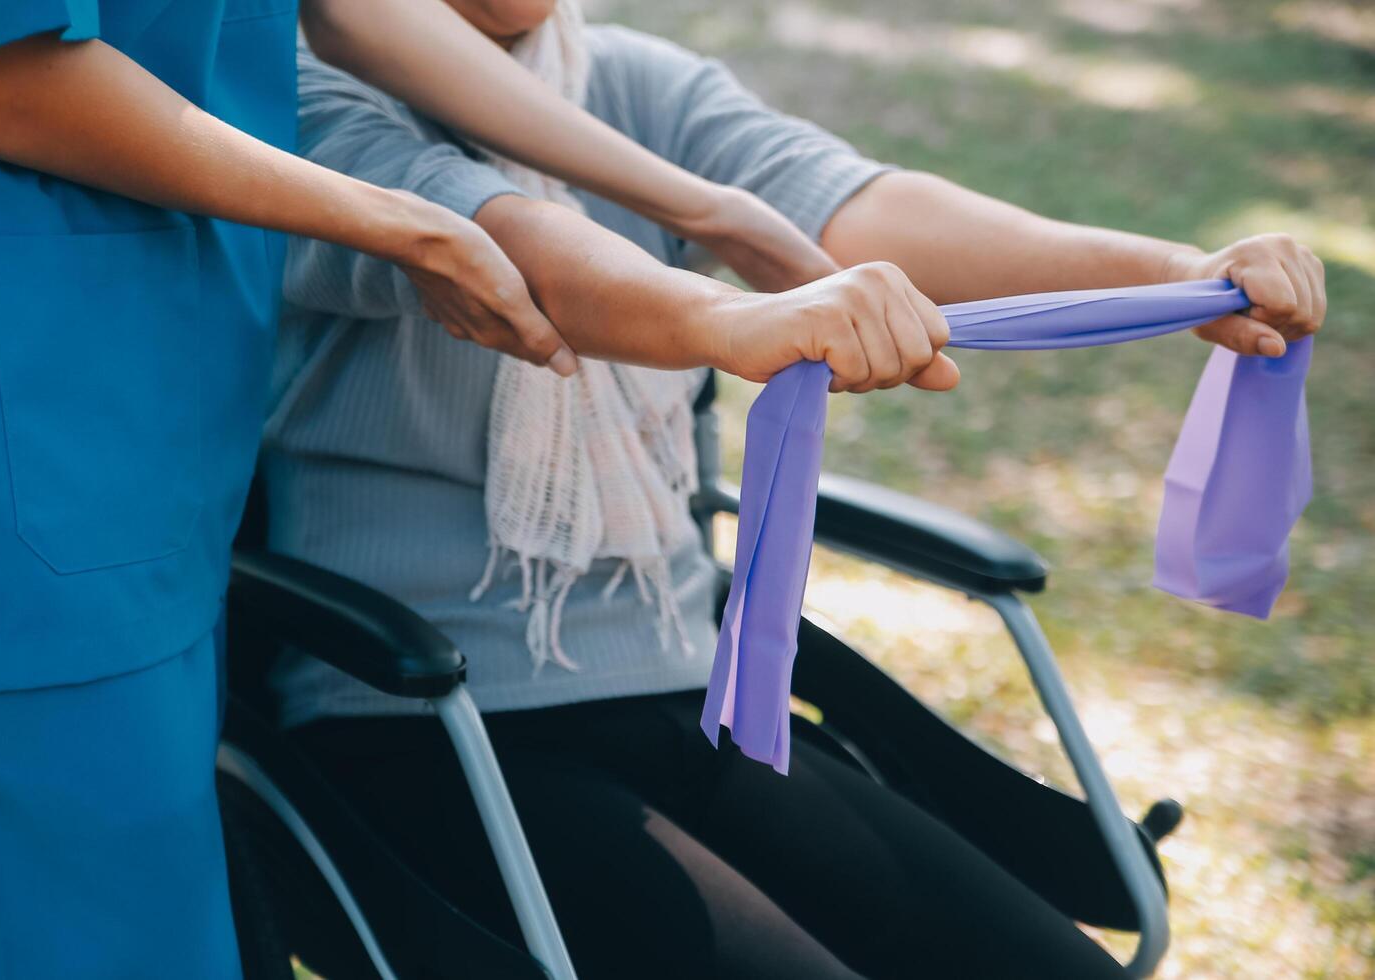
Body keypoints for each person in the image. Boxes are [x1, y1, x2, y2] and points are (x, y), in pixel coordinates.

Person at [264, 3, 1326, 977]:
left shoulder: (624, 79)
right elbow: (508, 251)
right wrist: (732, 320)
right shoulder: (293, 94)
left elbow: (851, 204)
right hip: (413, 711)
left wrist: (1176, 271)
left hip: (686, 679)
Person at [0, 1, 840, 976]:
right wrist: (409, 226)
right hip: (3, 475)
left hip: (135, 467)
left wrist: (705, 206)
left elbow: (355, 8)